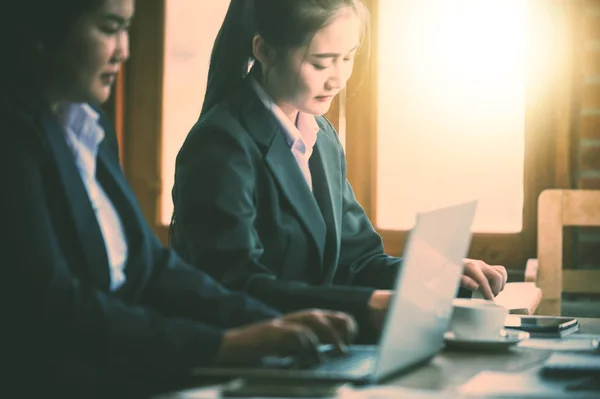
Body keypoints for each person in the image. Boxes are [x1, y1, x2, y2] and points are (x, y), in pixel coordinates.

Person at [1, 0, 357, 396]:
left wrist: (271, 322)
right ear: (44, 28)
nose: (125, 50)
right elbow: (56, 308)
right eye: (108, 27)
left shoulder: (89, 126)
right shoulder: (13, 143)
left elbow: (150, 266)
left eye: (127, 29)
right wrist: (223, 345)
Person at [170, 0, 508, 338]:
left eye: (348, 58)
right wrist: (366, 305)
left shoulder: (322, 136)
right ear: (265, 50)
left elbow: (358, 261)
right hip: (245, 359)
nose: (338, 79)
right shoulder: (220, 144)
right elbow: (237, 285)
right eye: (321, 63)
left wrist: (436, 276)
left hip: (316, 349)